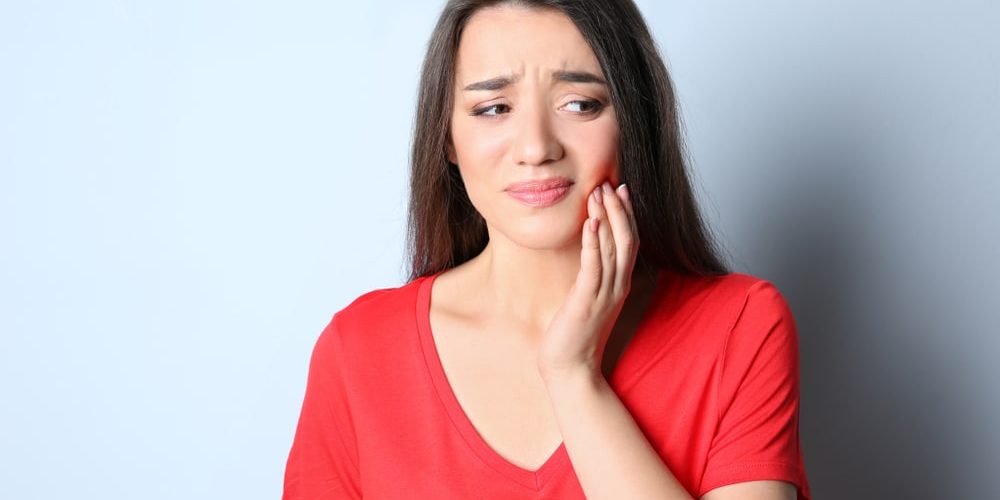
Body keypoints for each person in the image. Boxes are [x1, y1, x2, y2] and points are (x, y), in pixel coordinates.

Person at [282, 1, 811, 498]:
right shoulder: (358, 353)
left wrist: (573, 374)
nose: (536, 148)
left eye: (580, 104)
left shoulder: (740, 327)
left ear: (633, 121)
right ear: (447, 136)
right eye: (493, 108)